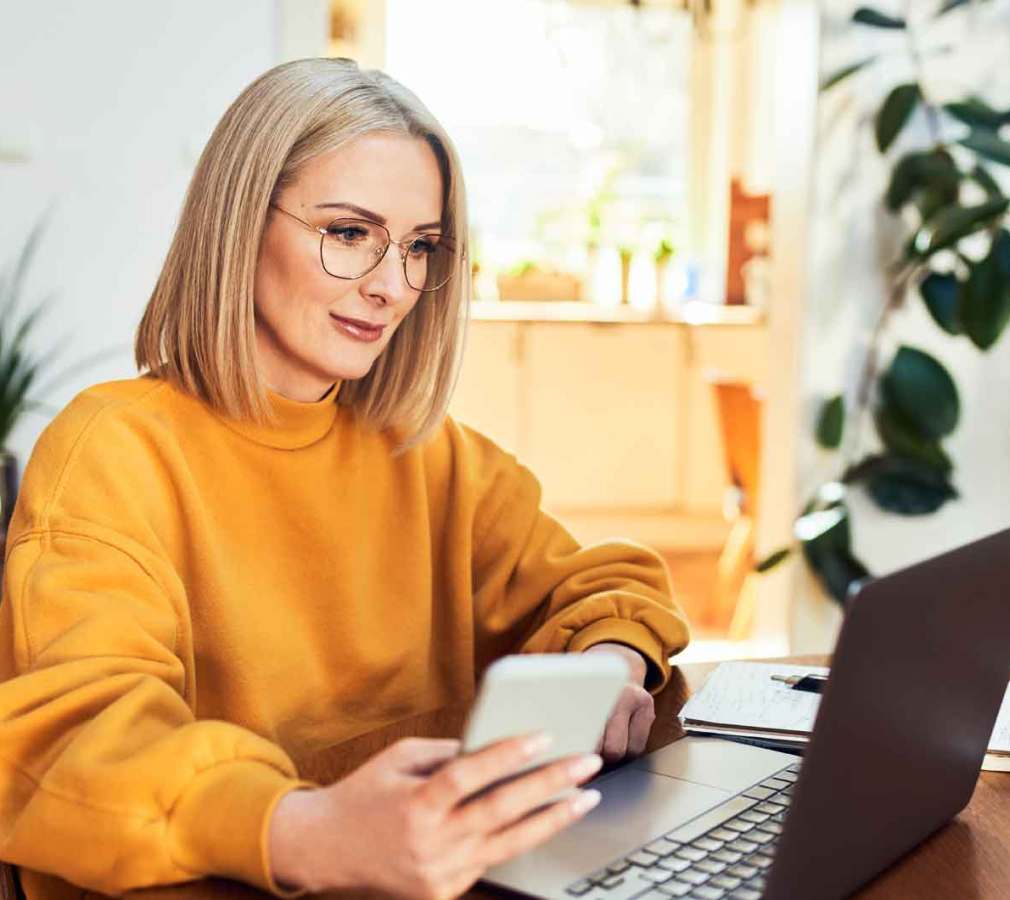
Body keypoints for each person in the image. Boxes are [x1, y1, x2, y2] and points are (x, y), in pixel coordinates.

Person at [0, 58, 690, 899]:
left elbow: (601, 582)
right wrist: (309, 829)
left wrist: (615, 657)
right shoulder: (112, 452)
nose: (393, 287)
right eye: (350, 232)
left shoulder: (428, 454)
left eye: (421, 248)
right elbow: (78, 743)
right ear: (239, 223)